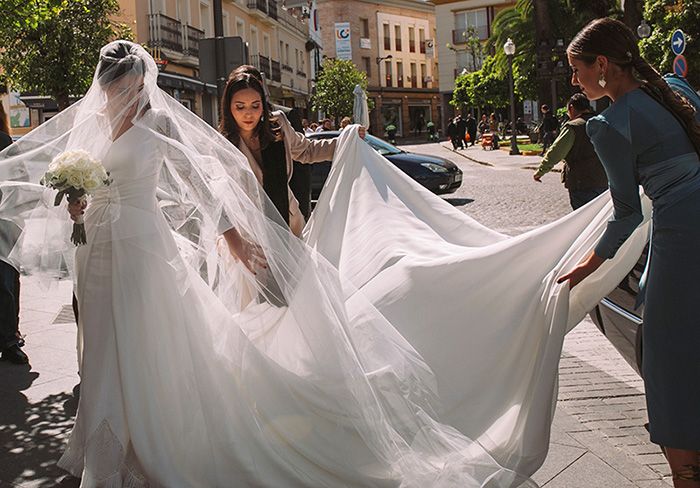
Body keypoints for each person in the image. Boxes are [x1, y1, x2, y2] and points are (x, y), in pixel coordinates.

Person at [0, 39, 543, 488]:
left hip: (145, 246)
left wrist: (232, 237)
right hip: (98, 246)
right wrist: (76, 200)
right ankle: (107, 443)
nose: (129, 91)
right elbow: (84, 186)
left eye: (134, 83)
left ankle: (153, 442)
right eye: (121, 84)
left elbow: (199, 186)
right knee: (100, 343)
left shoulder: (159, 123)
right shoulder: (91, 124)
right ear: (108, 83)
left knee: (147, 341)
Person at [558, 18, 700, 486]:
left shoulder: (609, 125)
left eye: (576, 70)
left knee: (670, 360)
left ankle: (687, 475)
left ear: (601, 65)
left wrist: (584, 268)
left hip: (683, 244)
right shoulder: (677, 89)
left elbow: (625, 217)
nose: (573, 81)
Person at [219, 66, 362, 237]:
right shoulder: (220, 143)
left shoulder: (278, 123)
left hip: (289, 225)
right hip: (249, 233)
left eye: (255, 105)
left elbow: (307, 150)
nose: (248, 114)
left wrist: (347, 139)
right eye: (240, 107)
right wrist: (234, 242)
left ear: (262, 103)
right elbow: (217, 199)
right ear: (229, 107)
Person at [533, 93, 608, 210]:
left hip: (581, 182)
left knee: (583, 220)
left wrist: (541, 171)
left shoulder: (574, 127)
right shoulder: (602, 122)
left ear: (571, 108)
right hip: (604, 180)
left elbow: (556, 151)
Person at [0, 103, 27, 364]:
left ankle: (9, 338)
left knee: (6, 282)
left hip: (3, 224)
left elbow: (19, 180)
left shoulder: (4, 142)